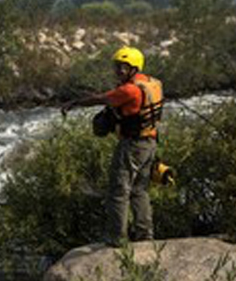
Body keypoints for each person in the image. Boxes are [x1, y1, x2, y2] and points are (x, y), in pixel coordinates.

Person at [61, 46, 164, 246]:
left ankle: (117, 239)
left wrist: (73, 103)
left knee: (119, 191)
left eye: (123, 68)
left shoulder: (130, 89)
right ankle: (145, 234)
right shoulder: (153, 83)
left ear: (134, 68)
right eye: (117, 67)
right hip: (150, 143)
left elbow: (102, 99)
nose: (118, 71)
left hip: (132, 146)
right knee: (139, 190)